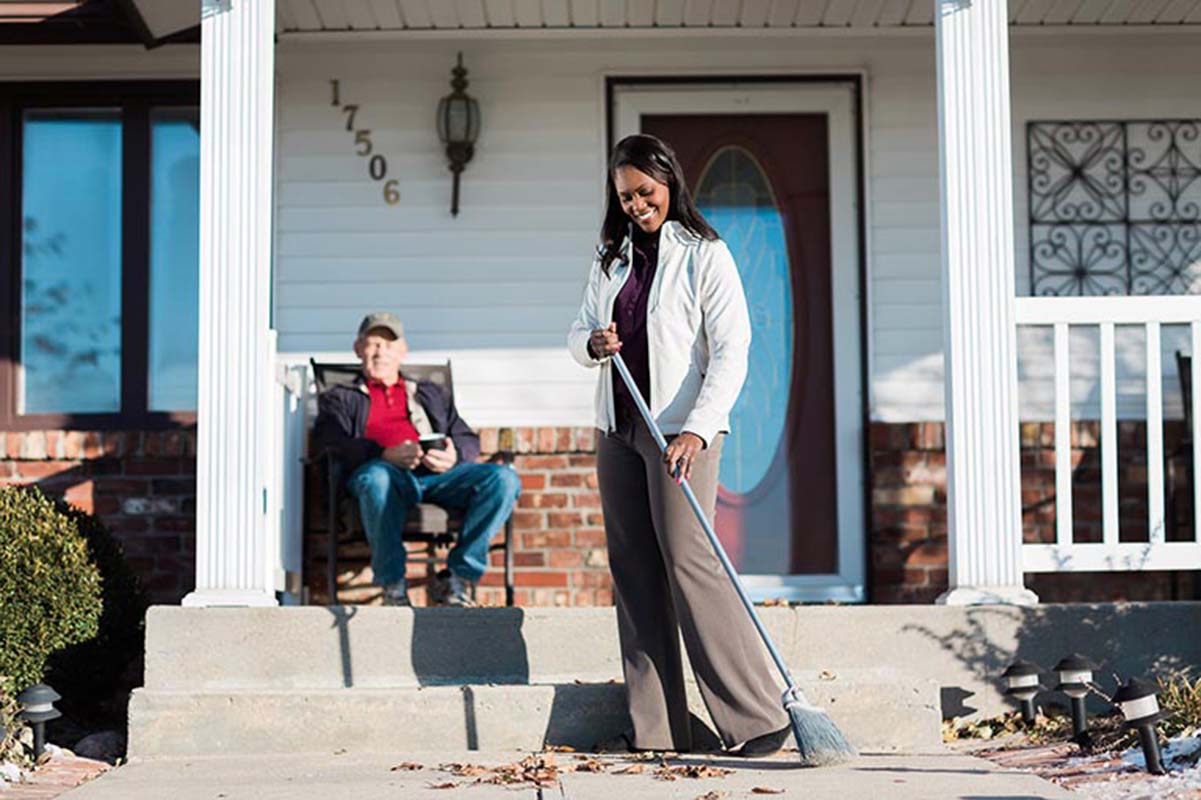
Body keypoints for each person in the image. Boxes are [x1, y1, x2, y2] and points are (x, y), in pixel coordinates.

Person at [568, 134, 790, 757]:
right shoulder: (610, 257)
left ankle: (756, 719)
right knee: (634, 572)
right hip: (619, 425)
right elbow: (579, 328)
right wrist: (591, 344)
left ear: (669, 182)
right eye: (625, 196)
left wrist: (697, 426)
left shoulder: (705, 254)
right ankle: (658, 730)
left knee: (691, 563)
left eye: (646, 192)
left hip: (680, 430)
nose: (637, 205)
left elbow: (733, 351)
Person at [315, 311, 521, 607]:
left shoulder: (429, 393)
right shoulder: (341, 398)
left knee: (504, 479)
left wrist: (454, 455)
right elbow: (329, 443)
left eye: (388, 345)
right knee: (376, 477)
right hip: (385, 476)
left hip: (438, 477)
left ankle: (457, 577)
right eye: (373, 344)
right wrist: (381, 453)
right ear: (358, 348)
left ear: (402, 352)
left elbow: (466, 437)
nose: (380, 353)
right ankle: (393, 585)